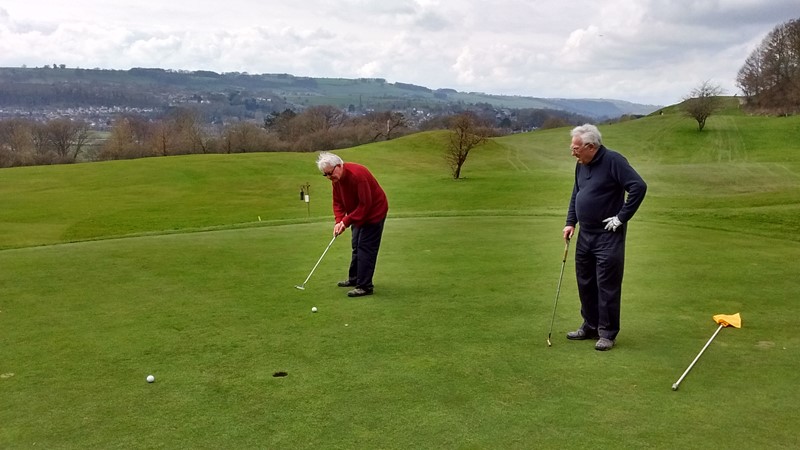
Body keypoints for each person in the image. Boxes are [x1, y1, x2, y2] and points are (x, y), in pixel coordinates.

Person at [562, 124, 647, 351]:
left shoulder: (613, 161)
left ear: (591, 146)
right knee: (585, 282)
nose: (573, 152)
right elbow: (576, 194)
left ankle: (607, 332)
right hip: (585, 235)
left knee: (607, 284)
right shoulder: (581, 164)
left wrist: (621, 218)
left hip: (608, 236)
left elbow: (638, 186)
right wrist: (571, 222)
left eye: (576, 148)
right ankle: (590, 325)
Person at [317, 152, 388, 297]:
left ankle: (365, 286)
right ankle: (354, 279)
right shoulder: (336, 181)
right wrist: (339, 221)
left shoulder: (358, 175)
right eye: (326, 175)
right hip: (357, 213)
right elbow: (337, 203)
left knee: (365, 247)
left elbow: (365, 205)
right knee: (356, 244)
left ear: (339, 166)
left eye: (330, 173)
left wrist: (346, 221)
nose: (329, 177)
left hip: (374, 212)